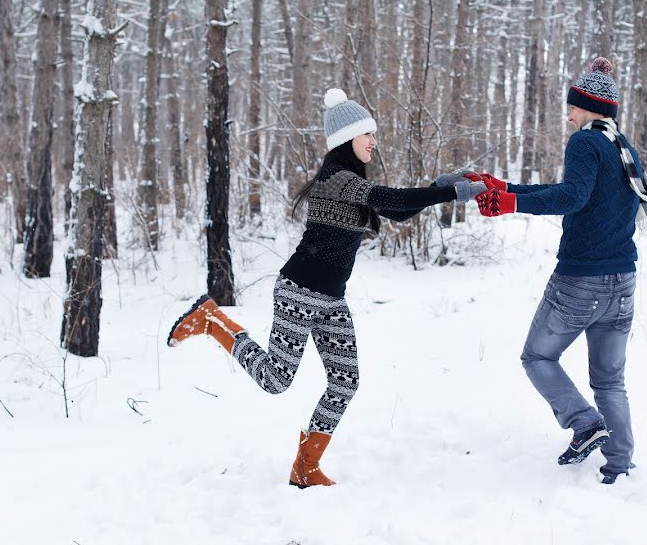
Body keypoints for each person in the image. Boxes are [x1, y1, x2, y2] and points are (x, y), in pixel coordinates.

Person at [167, 88, 486, 488]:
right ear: (346, 138)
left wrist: (440, 186)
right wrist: (446, 192)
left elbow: (396, 210)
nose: (374, 141)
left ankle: (305, 468)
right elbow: (390, 198)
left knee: (345, 381)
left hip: (332, 299)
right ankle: (212, 320)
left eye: (374, 134)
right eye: (367, 134)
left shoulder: (353, 184)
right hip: (299, 291)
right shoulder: (337, 179)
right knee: (275, 381)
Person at [470, 58, 647, 484]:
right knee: (609, 380)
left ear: (586, 106)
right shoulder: (620, 145)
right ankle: (618, 467)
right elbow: (571, 192)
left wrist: (511, 204)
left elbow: (573, 197)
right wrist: (508, 189)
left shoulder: (584, 143)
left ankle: (585, 423)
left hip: (581, 282)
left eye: (572, 105)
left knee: (537, 356)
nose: (568, 113)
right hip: (622, 283)